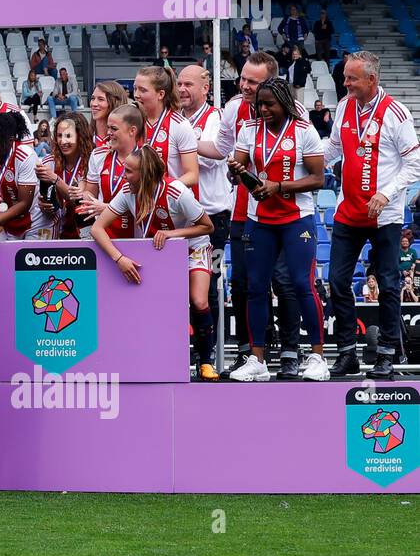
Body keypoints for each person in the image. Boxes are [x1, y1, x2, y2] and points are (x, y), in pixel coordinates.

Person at [323, 51, 420, 379]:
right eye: (345, 77)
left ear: (371, 80)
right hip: (348, 211)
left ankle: (387, 354)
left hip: (385, 213)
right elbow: (334, 148)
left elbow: (414, 163)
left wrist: (386, 192)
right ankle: (347, 352)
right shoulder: (344, 106)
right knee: (336, 280)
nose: (345, 83)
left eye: (351, 78)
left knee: (390, 284)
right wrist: (307, 162)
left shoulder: (396, 112)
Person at [226, 78, 328, 381]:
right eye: (260, 104)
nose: (263, 109)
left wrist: (279, 187)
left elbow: (318, 179)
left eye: (269, 104)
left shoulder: (304, 131)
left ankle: (317, 357)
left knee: (301, 284)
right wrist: (239, 174)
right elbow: (239, 174)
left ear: (284, 101)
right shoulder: (248, 130)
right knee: (255, 286)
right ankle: (257, 360)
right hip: (260, 220)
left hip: (297, 219)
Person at [91, 144, 214, 363]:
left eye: (129, 171)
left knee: (198, 301)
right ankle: (159, 358)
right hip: (160, 253)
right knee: (155, 304)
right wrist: (119, 258)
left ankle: (205, 361)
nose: (123, 175)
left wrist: (174, 234)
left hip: (193, 247)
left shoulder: (176, 191)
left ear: (145, 173)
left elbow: (207, 226)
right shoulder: (128, 192)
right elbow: (97, 228)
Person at [175, 65, 230, 379]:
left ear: (205, 88)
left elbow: (216, 154)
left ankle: (205, 358)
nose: (182, 89)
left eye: (188, 84)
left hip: (211, 216)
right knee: (174, 291)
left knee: (206, 292)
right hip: (178, 215)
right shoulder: (176, 121)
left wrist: (183, 144)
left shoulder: (215, 118)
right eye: (179, 84)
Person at [0, 111, 45, 241]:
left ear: (10, 140)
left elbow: (25, 203)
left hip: (35, 221)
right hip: (7, 222)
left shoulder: (25, 156)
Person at [133, 66, 199, 190]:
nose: (136, 95)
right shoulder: (131, 120)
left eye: (143, 90)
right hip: (136, 202)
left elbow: (192, 175)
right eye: (135, 89)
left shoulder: (179, 125)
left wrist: (160, 189)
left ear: (161, 94)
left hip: (168, 203)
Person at [36, 112, 93, 242]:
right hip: (58, 235)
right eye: (59, 136)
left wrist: (56, 180)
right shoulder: (49, 163)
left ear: (80, 136)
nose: (63, 141)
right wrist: (45, 205)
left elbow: (80, 200)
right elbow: (47, 203)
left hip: (86, 235)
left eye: (68, 136)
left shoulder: (92, 162)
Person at [88, 80, 129, 150]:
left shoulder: (125, 141)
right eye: (93, 98)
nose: (94, 104)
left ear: (114, 102)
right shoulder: (84, 138)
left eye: (100, 99)